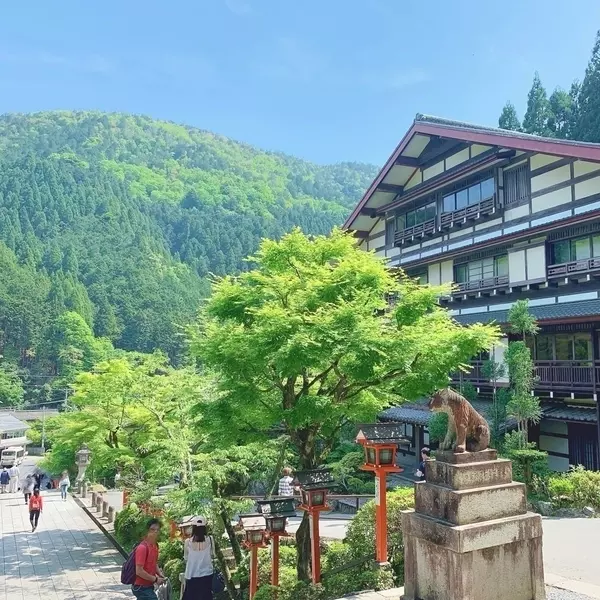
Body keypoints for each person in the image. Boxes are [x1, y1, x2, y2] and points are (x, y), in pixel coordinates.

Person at [182, 516, 214, 600]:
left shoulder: (187, 542)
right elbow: (212, 554)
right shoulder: (210, 539)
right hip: (207, 575)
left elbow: (186, 558)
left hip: (192, 575)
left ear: (193, 528)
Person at [132, 518, 165, 599]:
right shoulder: (142, 548)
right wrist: (155, 579)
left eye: (157, 530)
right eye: (152, 529)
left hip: (149, 585)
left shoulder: (155, 546)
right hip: (141, 587)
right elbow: (139, 571)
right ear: (147, 531)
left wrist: (159, 574)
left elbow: (154, 562)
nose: (155, 532)